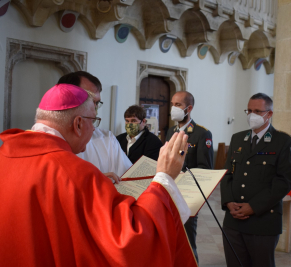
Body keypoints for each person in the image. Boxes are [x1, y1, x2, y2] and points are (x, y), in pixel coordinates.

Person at [0, 83, 197, 266]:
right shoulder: (75, 172)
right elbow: (131, 241)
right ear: (77, 124)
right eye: (93, 120)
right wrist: (164, 178)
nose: (94, 128)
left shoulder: (6, 156)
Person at [220, 93, 291, 267]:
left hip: (263, 221)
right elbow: (227, 173)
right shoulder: (238, 138)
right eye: (249, 110)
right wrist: (228, 201)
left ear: (269, 114)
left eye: (257, 111)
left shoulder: (284, 141)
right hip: (233, 220)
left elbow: (284, 181)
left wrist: (253, 207)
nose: (251, 115)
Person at [165, 91, 214, 263]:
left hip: (187, 196)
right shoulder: (170, 130)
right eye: (172, 104)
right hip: (168, 194)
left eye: (178, 105)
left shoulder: (201, 134)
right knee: (170, 240)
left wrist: (182, 175)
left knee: (187, 242)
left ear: (189, 108)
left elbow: (205, 169)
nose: (173, 108)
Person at [57, 71, 132, 182]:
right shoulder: (49, 140)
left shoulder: (107, 139)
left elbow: (128, 179)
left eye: (97, 103)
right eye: (91, 102)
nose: (94, 111)